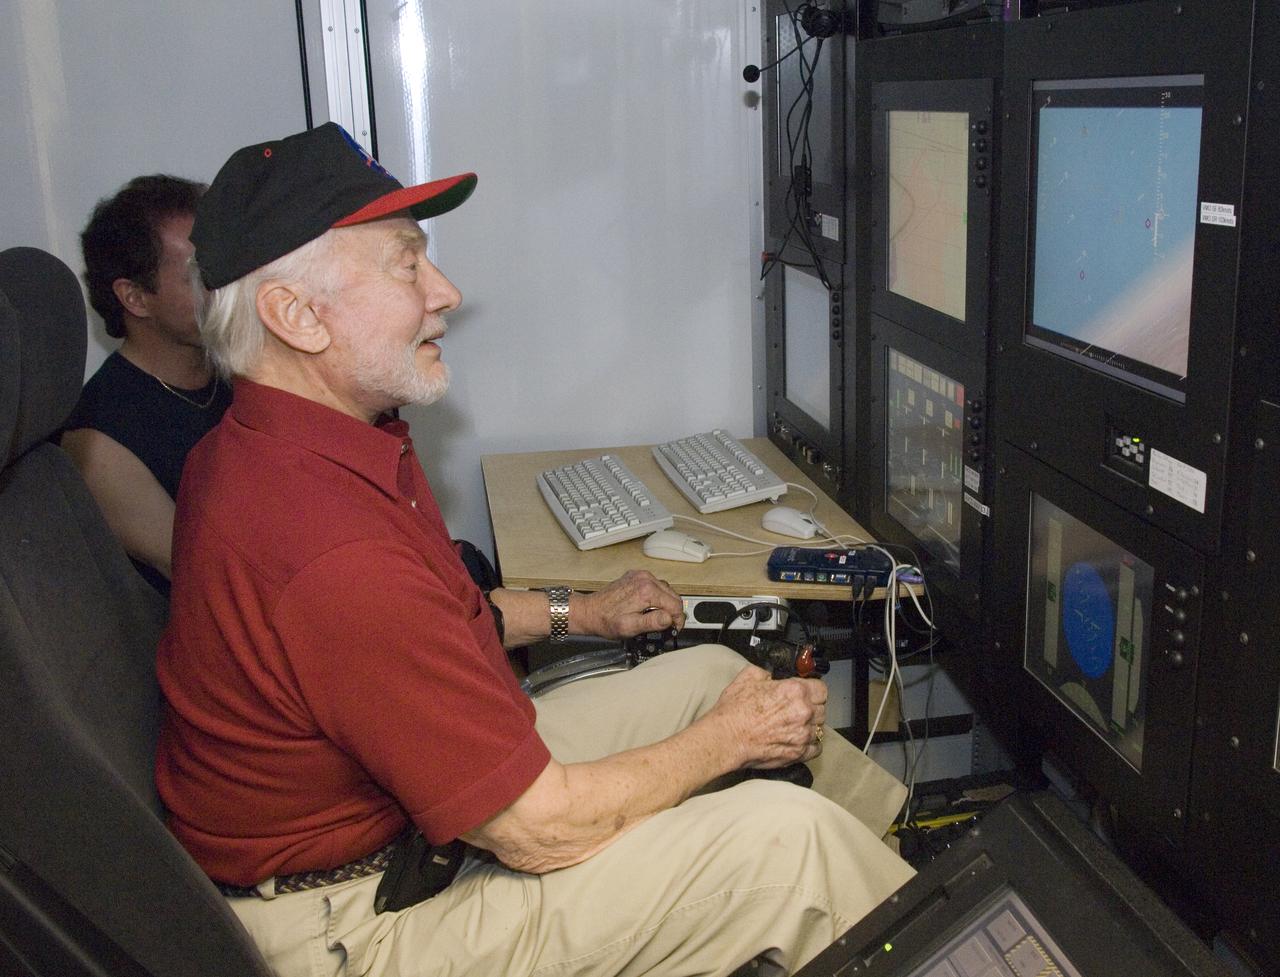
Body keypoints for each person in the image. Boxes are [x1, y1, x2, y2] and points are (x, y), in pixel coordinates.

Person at [155, 123, 913, 977]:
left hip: (394, 823)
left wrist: (580, 610)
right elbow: (539, 829)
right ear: (295, 315)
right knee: (786, 841)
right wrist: (730, 743)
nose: (444, 291)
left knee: (716, 678)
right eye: (406, 263)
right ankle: (932, 936)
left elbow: (439, 618)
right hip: (360, 927)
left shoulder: (282, 447)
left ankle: (905, 894)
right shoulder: (328, 546)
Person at [63, 174, 231, 594]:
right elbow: (211, 580)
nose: (222, 283)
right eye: (197, 273)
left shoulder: (236, 369)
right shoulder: (97, 442)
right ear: (135, 298)